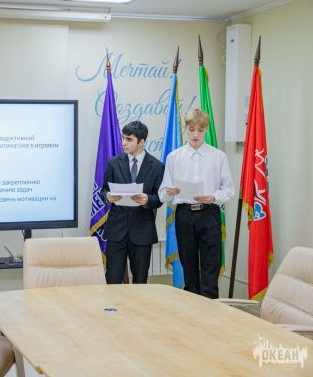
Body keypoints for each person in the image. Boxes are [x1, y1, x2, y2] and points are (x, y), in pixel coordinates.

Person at [158, 109, 234, 299]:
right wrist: (169, 192)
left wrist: (213, 197)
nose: (195, 135)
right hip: (184, 214)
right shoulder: (174, 157)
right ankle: (192, 307)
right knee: (188, 265)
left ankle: (211, 307)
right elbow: (162, 194)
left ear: (206, 129)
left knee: (211, 265)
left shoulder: (218, 156)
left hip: (209, 214)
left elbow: (229, 191)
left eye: (200, 130)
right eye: (191, 129)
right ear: (185, 128)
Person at [100, 121, 165, 284]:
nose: (124, 143)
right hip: (117, 230)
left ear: (141, 142)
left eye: (129, 139)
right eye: (123, 138)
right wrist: (108, 197)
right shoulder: (114, 162)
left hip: (142, 231)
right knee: (113, 278)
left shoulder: (157, 166)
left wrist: (147, 199)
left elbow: (160, 198)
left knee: (140, 281)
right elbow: (103, 190)